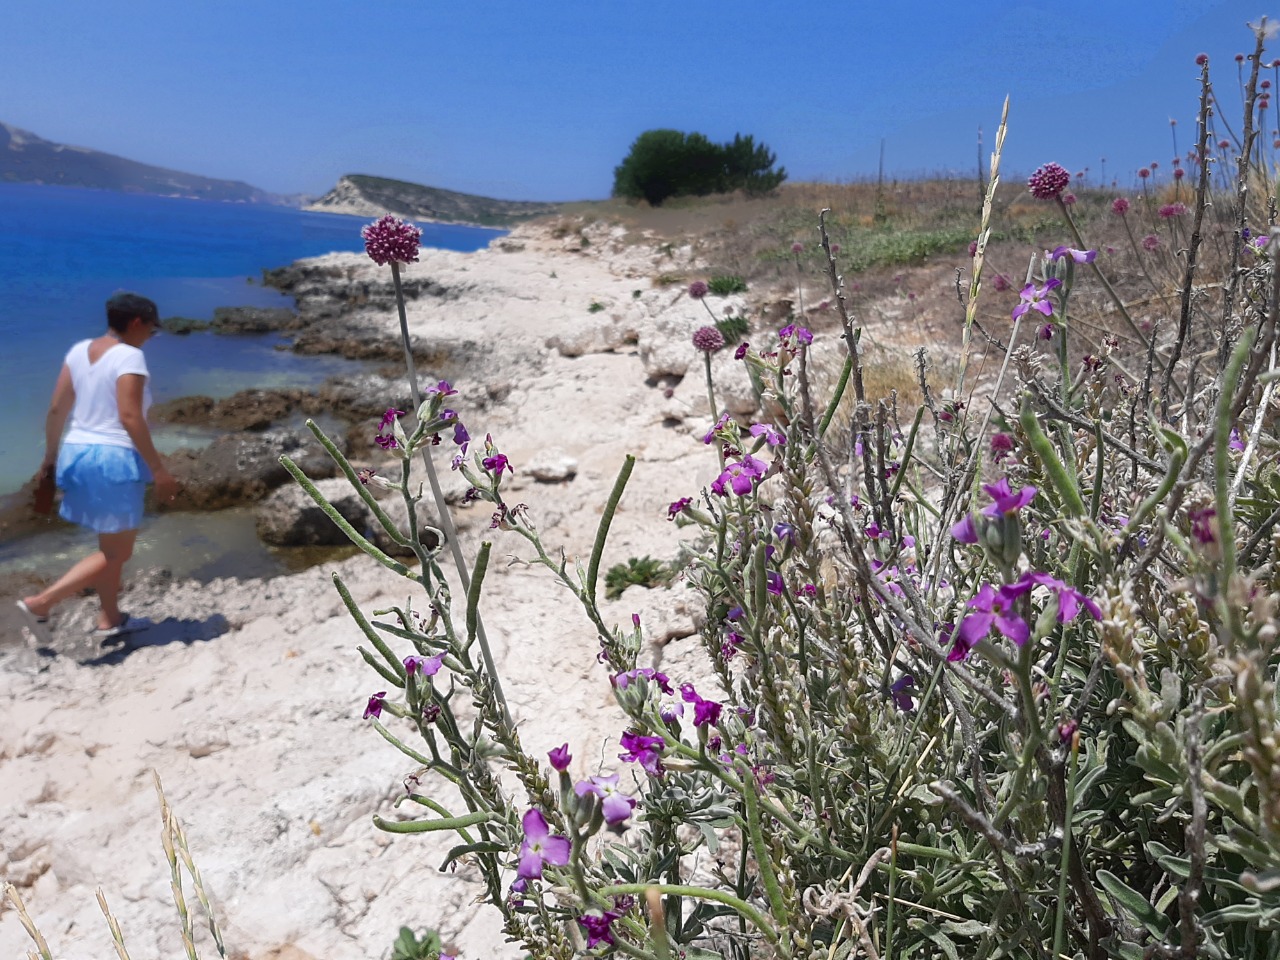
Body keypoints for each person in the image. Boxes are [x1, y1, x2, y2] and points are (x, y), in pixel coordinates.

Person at [16, 292, 179, 642]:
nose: (151, 337)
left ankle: (110, 617)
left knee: (109, 545)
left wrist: (49, 458)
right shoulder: (130, 357)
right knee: (118, 551)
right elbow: (130, 415)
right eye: (151, 330)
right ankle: (40, 603)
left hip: (77, 451)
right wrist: (159, 470)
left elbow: (57, 409)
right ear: (137, 323)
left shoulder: (78, 351)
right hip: (112, 459)